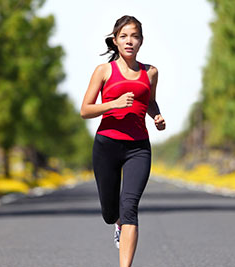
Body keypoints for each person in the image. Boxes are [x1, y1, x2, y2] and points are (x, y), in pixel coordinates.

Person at [80, 15, 166, 267]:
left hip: (138, 147)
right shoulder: (104, 71)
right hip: (107, 145)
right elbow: (85, 110)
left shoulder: (150, 72)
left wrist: (157, 116)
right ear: (116, 40)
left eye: (135, 36)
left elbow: (149, 102)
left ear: (141, 41)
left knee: (130, 207)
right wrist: (113, 104)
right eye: (124, 36)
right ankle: (115, 223)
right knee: (111, 212)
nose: (130, 41)